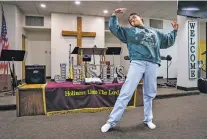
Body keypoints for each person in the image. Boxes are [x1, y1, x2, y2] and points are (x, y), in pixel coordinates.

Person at [101, 8, 179, 133]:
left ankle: (148, 119)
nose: (132, 20)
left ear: (140, 18)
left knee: (149, 93)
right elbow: (115, 28)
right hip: (137, 62)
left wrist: (175, 30)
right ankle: (111, 121)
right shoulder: (129, 32)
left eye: (134, 17)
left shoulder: (155, 32)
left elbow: (167, 40)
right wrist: (114, 14)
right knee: (126, 92)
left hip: (152, 63)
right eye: (130, 20)